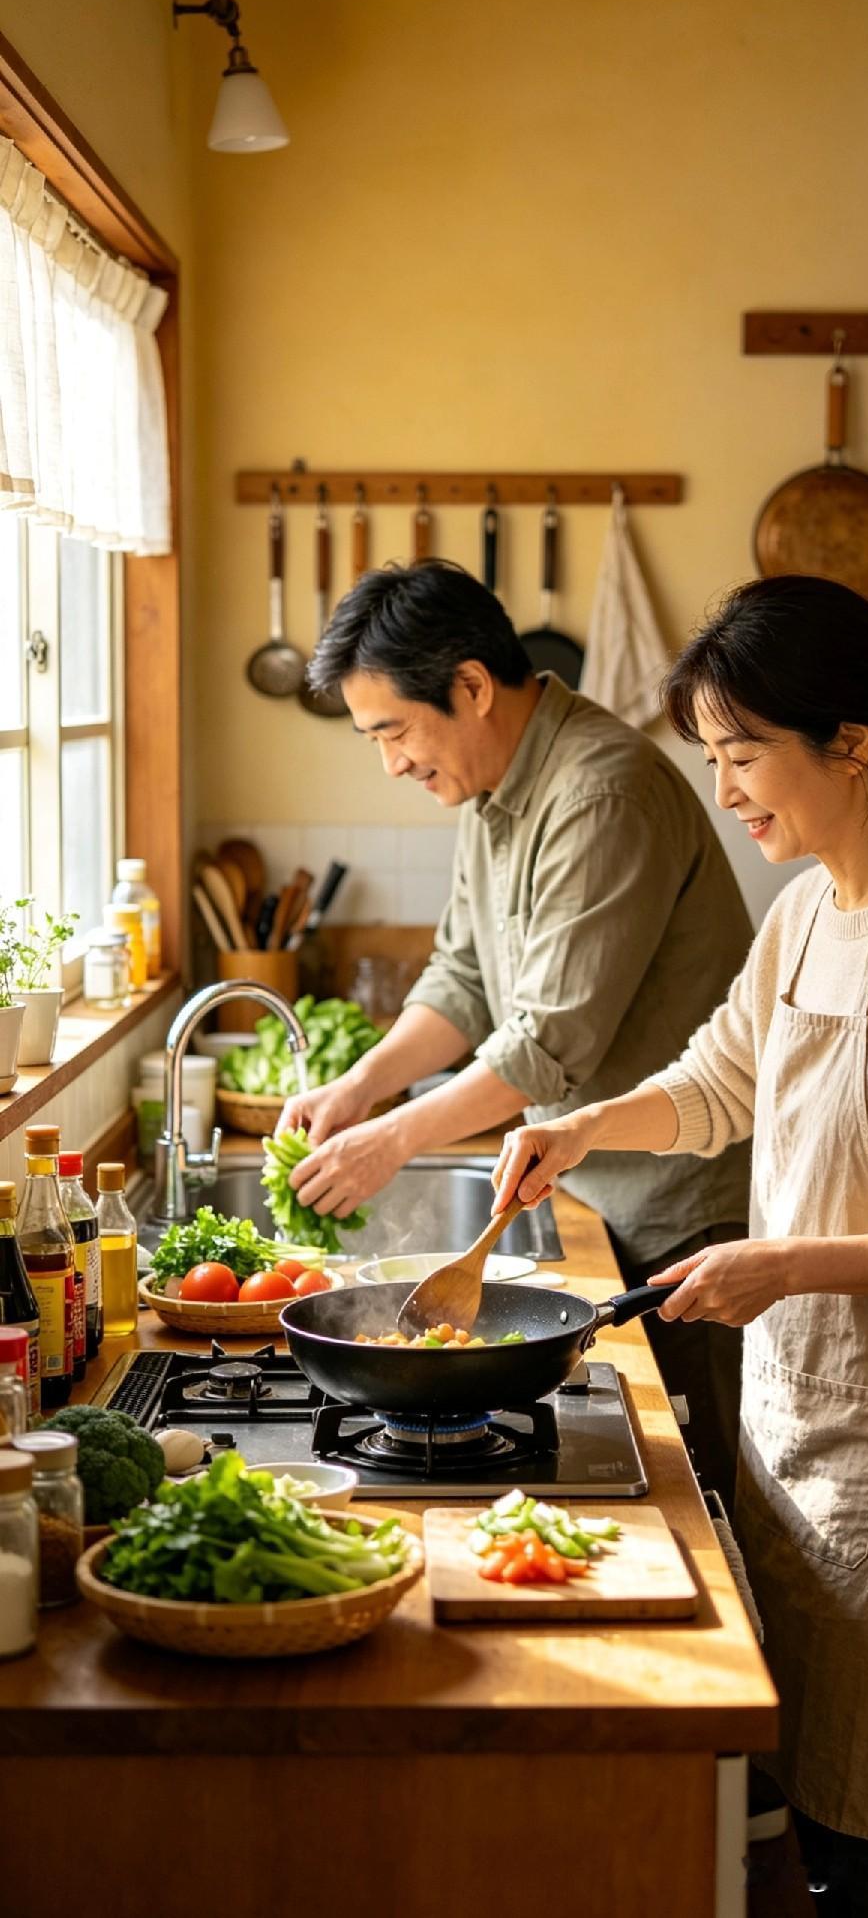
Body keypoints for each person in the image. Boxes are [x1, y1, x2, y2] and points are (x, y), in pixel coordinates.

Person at [492, 575, 868, 1916]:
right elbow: (721, 1079)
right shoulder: (813, 904)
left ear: (852, 745)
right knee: (825, 1823)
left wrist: (785, 1263)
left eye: (742, 755)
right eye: (714, 760)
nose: (728, 791)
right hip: (806, 1424)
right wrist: (586, 1125)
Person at [278, 560, 752, 1499]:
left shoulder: (600, 795)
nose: (393, 762)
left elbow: (544, 1045)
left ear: (471, 687)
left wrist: (393, 1139)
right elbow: (461, 980)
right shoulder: (494, 788)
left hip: (683, 1209)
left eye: (394, 731)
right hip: (601, 1187)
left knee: (695, 1495)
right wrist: (362, 1087)